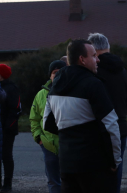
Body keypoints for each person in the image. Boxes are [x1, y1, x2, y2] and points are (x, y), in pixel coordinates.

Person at [43, 39, 121, 193]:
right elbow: (111, 126)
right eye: (93, 56)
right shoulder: (93, 84)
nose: (98, 59)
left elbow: (47, 123)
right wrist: (115, 161)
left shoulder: (55, 87)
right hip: (94, 165)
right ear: (82, 59)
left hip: (67, 164)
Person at [87, 33, 127, 193]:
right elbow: (126, 99)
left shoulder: (93, 71)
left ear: (93, 50)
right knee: (116, 171)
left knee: (97, 177)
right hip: (121, 126)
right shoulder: (122, 70)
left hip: (99, 128)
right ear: (108, 47)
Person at [29, 60, 66, 193]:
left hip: (68, 144)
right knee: (53, 180)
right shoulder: (40, 95)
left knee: (70, 180)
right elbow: (34, 118)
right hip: (48, 144)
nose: (57, 75)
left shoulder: (73, 90)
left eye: (60, 72)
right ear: (50, 75)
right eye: (54, 72)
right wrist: (39, 138)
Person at [0, 64, 21, 193]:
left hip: (7, 129)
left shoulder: (11, 89)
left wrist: (8, 126)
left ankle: (7, 183)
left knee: (6, 155)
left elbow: (15, 109)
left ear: (2, 75)